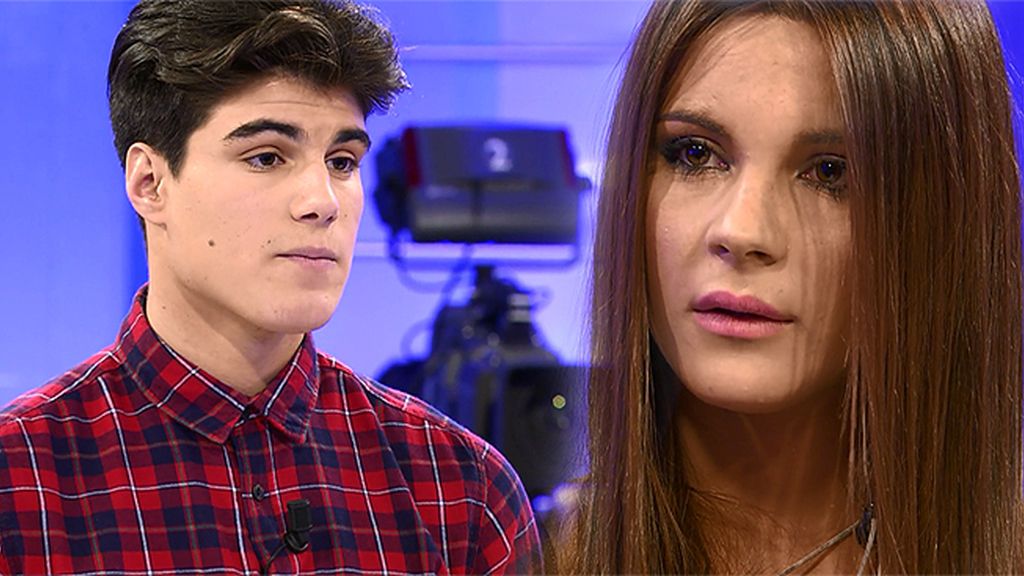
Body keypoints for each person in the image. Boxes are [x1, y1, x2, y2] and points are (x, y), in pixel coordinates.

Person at [0, 1, 541, 574]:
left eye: (341, 161)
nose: (322, 202)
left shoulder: (460, 489)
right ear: (150, 183)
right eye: (266, 157)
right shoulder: (20, 482)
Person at [559, 0, 1022, 573]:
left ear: (943, 221)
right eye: (696, 154)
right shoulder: (517, 552)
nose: (741, 232)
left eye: (830, 173)